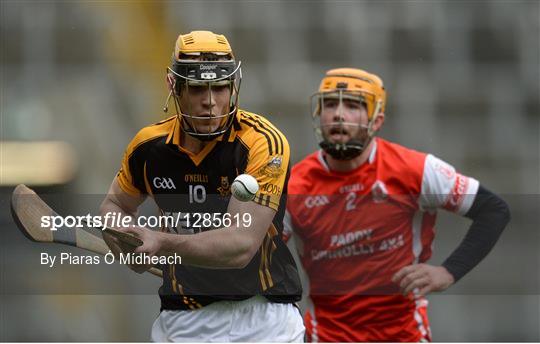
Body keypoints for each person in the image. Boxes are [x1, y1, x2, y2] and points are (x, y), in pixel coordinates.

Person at [100, 30, 304, 342]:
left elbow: (240, 246)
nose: (210, 102)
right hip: (182, 320)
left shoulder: (263, 142)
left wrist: (161, 243)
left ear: (233, 85)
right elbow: (114, 206)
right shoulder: (148, 147)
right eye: (197, 89)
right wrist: (126, 241)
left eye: (220, 87)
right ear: (174, 86)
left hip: (262, 321)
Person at [283, 68, 510, 342]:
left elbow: (494, 210)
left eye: (353, 105)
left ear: (376, 120)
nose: (338, 114)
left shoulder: (415, 170)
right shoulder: (293, 185)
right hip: (328, 336)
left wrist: (449, 271)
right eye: (330, 104)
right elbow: (261, 254)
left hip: (404, 335)